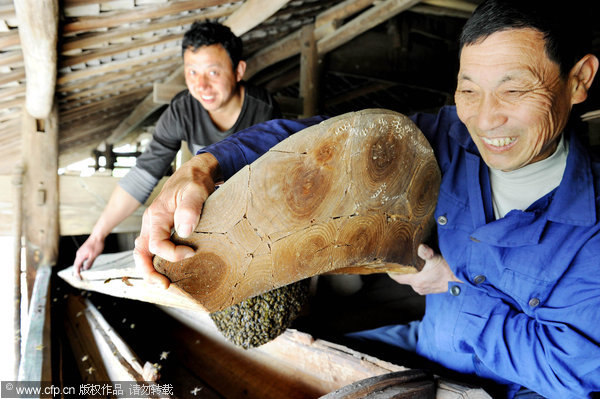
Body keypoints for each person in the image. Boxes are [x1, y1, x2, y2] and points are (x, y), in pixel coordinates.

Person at [133, 0, 600, 397]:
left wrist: (455, 281)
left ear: (579, 79)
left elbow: (577, 367)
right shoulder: (448, 137)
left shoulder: (592, 222)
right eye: (469, 90)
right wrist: (203, 167)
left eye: (514, 89)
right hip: (426, 344)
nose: (485, 119)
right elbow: (324, 138)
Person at [73, 21, 280, 277]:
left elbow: (269, 180)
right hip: (202, 206)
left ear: (238, 71)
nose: (201, 86)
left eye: (213, 73)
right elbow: (144, 173)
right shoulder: (182, 110)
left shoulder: (263, 109)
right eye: (192, 72)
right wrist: (97, 236)